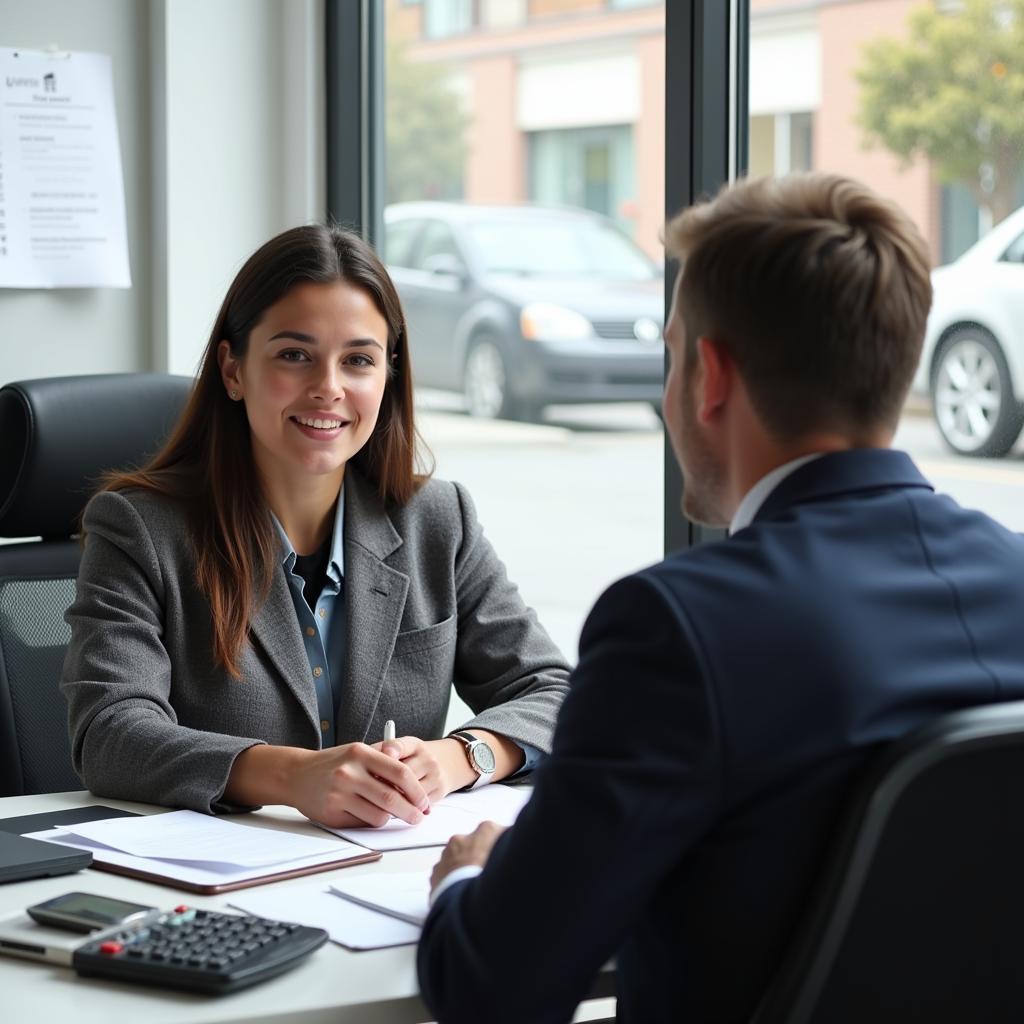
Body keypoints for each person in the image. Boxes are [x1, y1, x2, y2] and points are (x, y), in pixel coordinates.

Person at [416, 173, 1024, 1023]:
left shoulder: (679, 630)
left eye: (670, 357)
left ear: (709, 376)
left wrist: (472, 877)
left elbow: (492, 990)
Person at [61, 225, 570, 826]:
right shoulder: (140, 529)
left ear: (387, 376)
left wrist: (461, 756)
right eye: (294, 355)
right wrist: (291, 775)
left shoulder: (438, 520)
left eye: (358, 360)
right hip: (227, 888)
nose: (328, 388)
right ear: (233, 369)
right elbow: (110, 733)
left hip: (384, 874)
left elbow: (556, 693)